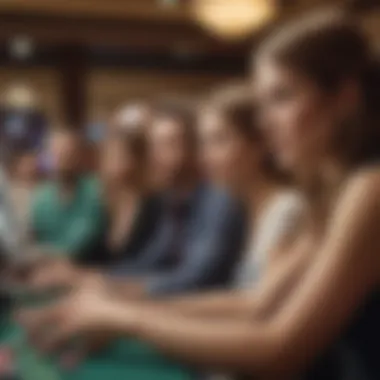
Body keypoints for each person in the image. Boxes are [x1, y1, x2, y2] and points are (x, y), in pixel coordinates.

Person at [21, 9, 380, 379]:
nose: (264, 121)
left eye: (282, 97)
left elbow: (279, 348)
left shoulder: (370, 186)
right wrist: (114, 308)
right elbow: (255, 304)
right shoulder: (325, 197)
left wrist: (125, 316)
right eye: (263, 103)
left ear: (344, 99)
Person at [29, 128, 107, 262]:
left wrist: (42, 254)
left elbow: (80, 245)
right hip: (47, 270)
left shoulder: (95, 191)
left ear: (78, 156)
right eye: (55, 152)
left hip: (87, 268)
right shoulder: (42, 197)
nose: (61, 159)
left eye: (67, 152)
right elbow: (35, 239)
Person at [92, 118, 161, 266]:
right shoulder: (103, 201)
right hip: (104, 281)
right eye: (109, 155)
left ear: (138, 159)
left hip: (135, 282)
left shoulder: (154, 203)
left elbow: (149, 261)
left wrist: (99, 278)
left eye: (119, 155)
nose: (112, 162)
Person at [8, 150, 39, 244]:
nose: (31, 168)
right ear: (16, 167)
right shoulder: (10, 191)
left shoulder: (45, 190)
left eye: (33, 164)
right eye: (26, 164)